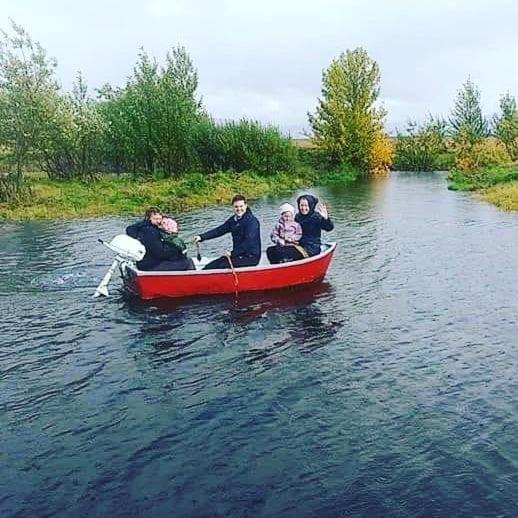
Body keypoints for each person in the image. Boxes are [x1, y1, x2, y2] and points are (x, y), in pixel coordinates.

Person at [193, 195, 261, 270]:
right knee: (210, 267)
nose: (239, 209)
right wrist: (201, 237)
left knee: (221, 266)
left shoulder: (252, 221)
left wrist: (232, 253)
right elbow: (219, 230)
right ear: (232, 207)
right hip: (238, 255)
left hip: (251, 257)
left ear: (246, 206)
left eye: (241, 206)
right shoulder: (233, 220)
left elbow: (248, 242)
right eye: (236, 207)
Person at [271, 194, 334, 263]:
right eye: (301, 205)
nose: (303, 208)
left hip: (311, 248)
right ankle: (278, 268)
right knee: (271, 250)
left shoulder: (316, 217)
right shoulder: (298, 216)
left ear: (310, 205)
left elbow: (329, 228)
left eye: (306, 206)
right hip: (297, 244)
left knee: (287, 252)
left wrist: (326, 218)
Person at [126, 207, 193, 271]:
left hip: (145, 263)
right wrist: (176, 249)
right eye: (155, 219)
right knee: (187, 262)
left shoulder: (143, 227)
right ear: (148, 218)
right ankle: (192, 281)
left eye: (159, 219)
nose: (158, 221)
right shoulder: (150, 231)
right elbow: (159, 253)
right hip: (151, 266)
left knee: (180, 260)